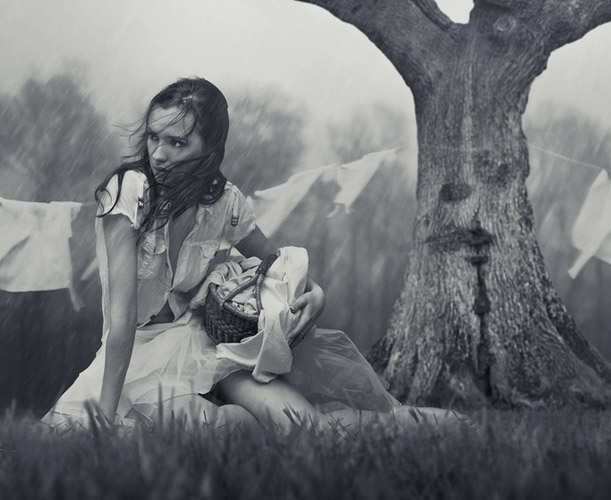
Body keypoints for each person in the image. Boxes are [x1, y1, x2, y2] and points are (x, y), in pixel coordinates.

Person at [43, 77, 461, 434]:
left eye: (177, 142)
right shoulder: (129, 191)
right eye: (154, 137)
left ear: (209, 148)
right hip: (137, 356)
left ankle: (443, 424)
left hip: (208, 342)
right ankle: (250, 426)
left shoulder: (226, 202)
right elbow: (122, 319)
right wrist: (105, 416)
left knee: (306, 427)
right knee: (214, 429)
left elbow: (274, 260)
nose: (158, 154)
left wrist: (316, 291)